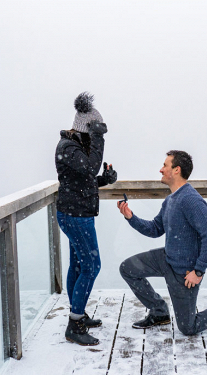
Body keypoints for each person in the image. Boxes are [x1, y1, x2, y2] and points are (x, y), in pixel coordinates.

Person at [117, 150, 207, 336]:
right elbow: (155, 229)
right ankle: (159, 312)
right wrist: (131, 217)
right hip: (167, 259)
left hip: (185, 272)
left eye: (165, 165)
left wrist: (198, 271)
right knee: (128, 268)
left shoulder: (190, 200)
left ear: (176, 170)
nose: (160, 169)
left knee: (189, 327)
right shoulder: (170, 200)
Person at [55, 92, 117, 346]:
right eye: (93, 130)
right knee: (92, 265)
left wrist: (106, 180)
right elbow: (90, 168)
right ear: (86, 129)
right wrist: (99, 137)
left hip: (77, 213)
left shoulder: (74, 147)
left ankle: (76, 313)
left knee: (80, 265)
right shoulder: (68, 147)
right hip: (75, 216)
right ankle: (75, 324)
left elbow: (85, 178)